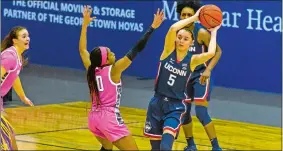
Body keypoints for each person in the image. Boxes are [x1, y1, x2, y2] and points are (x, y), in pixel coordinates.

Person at [79, 6, 164, 150]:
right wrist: (152, 28)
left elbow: (82, 50)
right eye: (110, 53)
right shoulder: (114, 70)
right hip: (108, 118)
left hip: (93, 118)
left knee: (107, 148)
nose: (113, 53)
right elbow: (136, 49)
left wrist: (84, 25)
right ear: (105, 60)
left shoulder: (91, 70)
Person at [143, 5, 221, 150]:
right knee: (156, 148)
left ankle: (215, 146)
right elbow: (173, 29)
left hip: (175, 107)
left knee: (166, 146)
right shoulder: (167, 52)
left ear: (191, 43)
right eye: (179, 37)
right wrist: (195, 17)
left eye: (185, 39)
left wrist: (214, 32)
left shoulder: (192, 60)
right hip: (157, 103)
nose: (180, 40)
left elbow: (211, 53)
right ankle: (190, 144)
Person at [176, 1, 222, 150]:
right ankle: (191, 145)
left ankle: (216, 146)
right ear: (179, 16)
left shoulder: (201, 32)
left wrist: (208, 70)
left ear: (195, 16)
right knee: (184, 112)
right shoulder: (176, 32)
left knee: (201, 113)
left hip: (200, 75)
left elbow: (218, 52)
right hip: (183, 76)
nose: (186, 17)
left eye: (190, 14)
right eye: (184, 14)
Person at [1, 26, 34, 150]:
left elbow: (14, 77)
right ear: (15, 40)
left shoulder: (17, 56)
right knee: (7, 137)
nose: (28, 39)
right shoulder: (9, 57)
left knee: (9, 135)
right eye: (24, 36)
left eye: (28, 36)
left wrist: (22, 97)